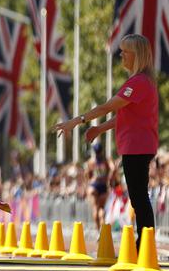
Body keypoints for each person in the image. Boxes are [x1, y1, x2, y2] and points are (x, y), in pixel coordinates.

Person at [53, 34, 158, 250]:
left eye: (124, 52)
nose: (121, 55)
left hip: (137, 147)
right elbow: (124, 115)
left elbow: (106, 107)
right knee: (138, 197)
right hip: (137, 146)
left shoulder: (138, 83)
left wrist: (77, 121)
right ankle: (145, 242)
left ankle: (145, 244)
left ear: (135, 55)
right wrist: (100, 128)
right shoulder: (141, 82)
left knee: (139, 197)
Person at [85, 143, 112, 229]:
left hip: (94, 185)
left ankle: (98, 231)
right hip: (103, 185)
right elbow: (113, 168)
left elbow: (87, 174)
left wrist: (89, 182)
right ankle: (102, 231)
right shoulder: (106, 160)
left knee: (95, 208)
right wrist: (109, 179)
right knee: (101, 209)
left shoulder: (91, 161)